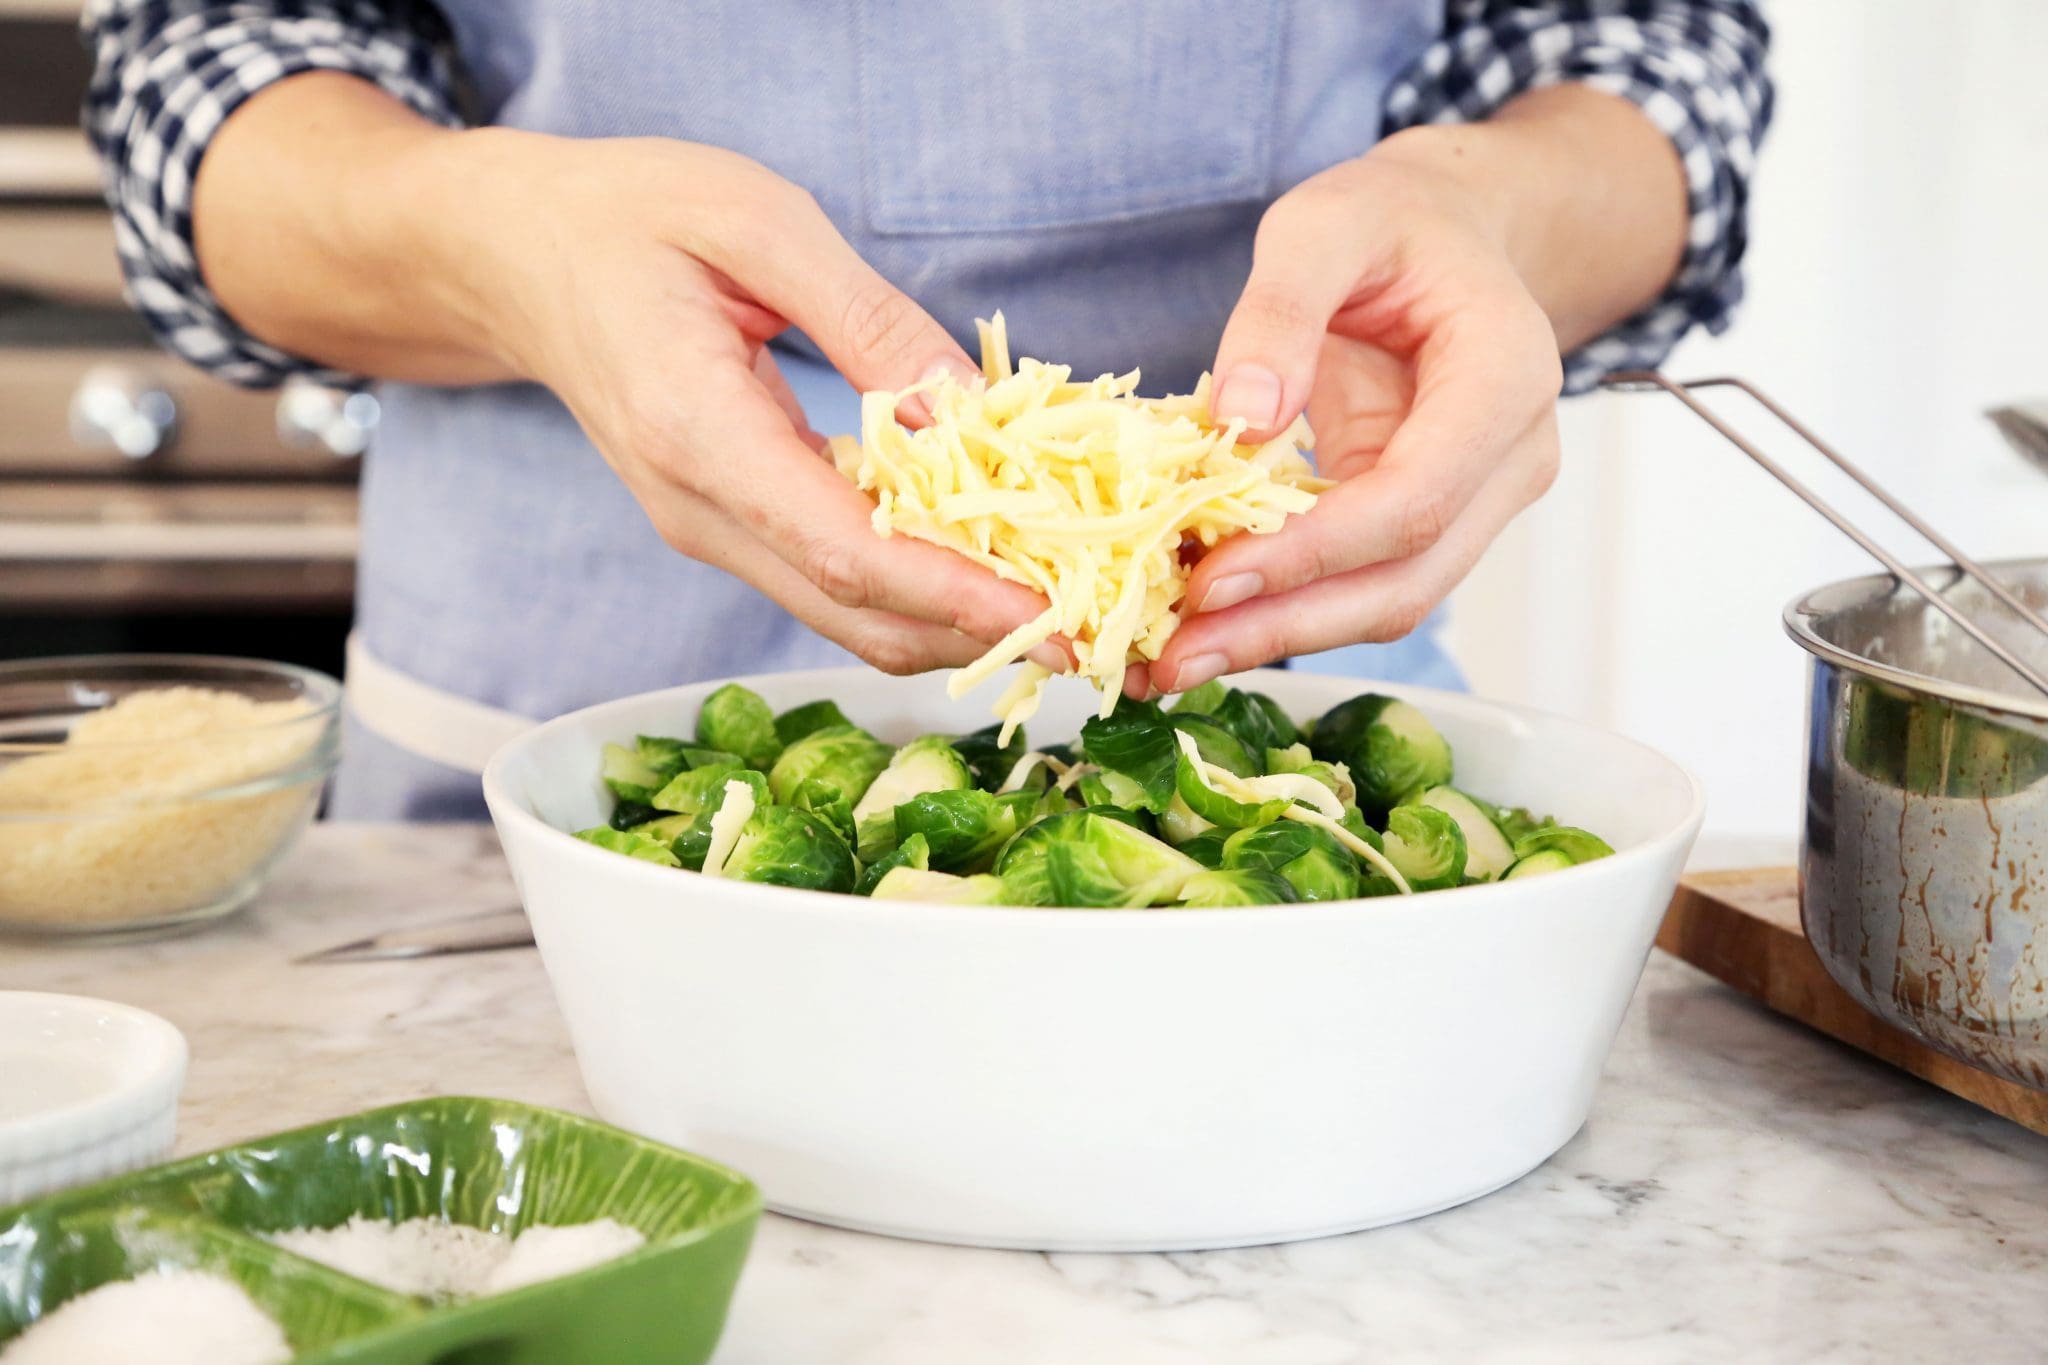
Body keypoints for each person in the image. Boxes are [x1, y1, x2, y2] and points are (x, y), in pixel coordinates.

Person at [84, 0, 1770, 819]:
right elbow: (203, 71)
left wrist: (1494, 219)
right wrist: (504, 246)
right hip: (531, 778)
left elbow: (1647, 54)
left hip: (1266, 716)